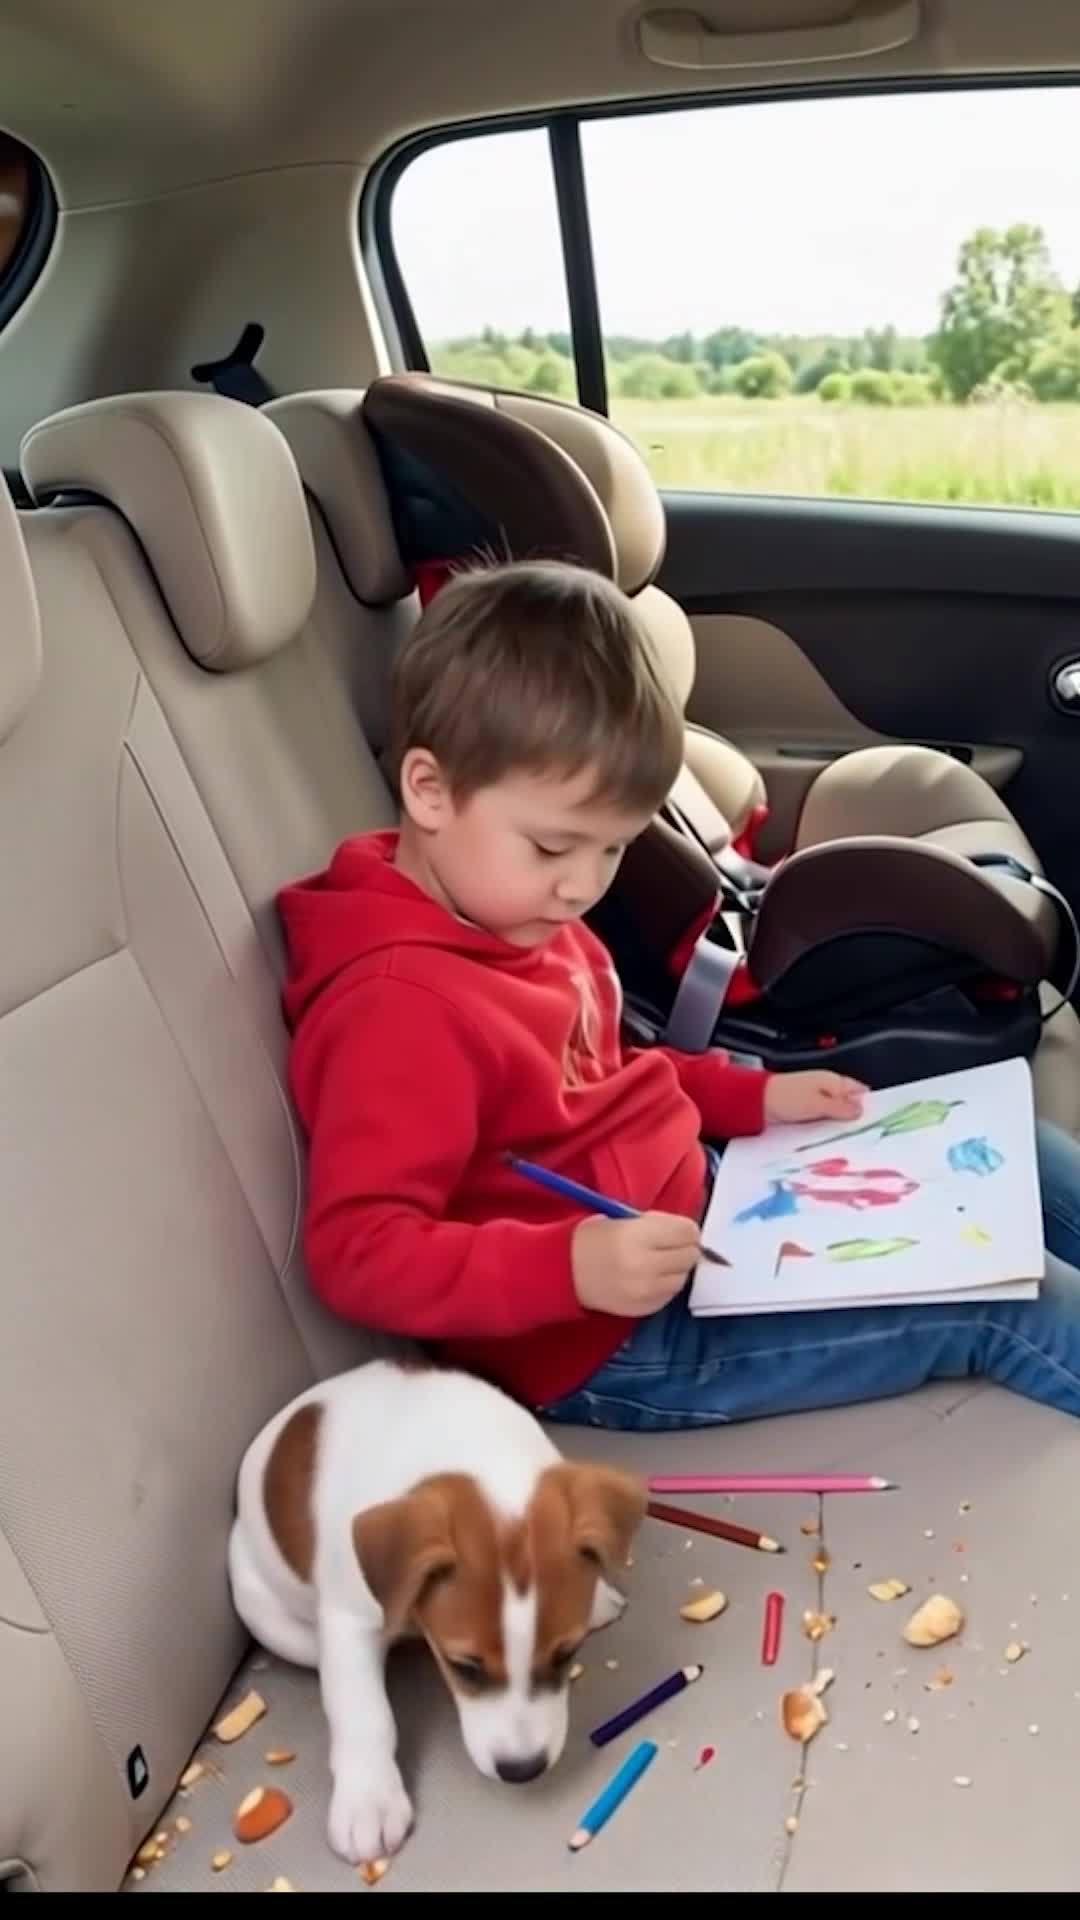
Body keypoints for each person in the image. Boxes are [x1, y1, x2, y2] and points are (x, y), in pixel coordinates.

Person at [276, 557, 1080, 1433]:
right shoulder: (399, 1010)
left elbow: (610, 1068)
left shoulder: (513, 913)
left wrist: (751, 1097)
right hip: (616, 1337)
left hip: (711, 1206)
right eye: (553, 848)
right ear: (429, 792)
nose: (583, 885)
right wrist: (570, 1266)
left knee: (1021, 1154)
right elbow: (359, 1252)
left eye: (612, 850)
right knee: (1009, 1301)